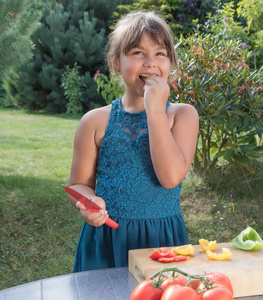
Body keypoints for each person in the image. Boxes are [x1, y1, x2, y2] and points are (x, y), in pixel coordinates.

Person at [66, 11, 199, 272]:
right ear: (116, 62)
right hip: (106, 239)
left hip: (161, 241)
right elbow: (79, 184)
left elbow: (170, 177)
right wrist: (89, 205)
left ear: (170, 62)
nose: (150, 62)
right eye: (138, 53)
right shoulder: (94, 121)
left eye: (160, 54)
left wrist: (155, 110)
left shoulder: (182, 116)